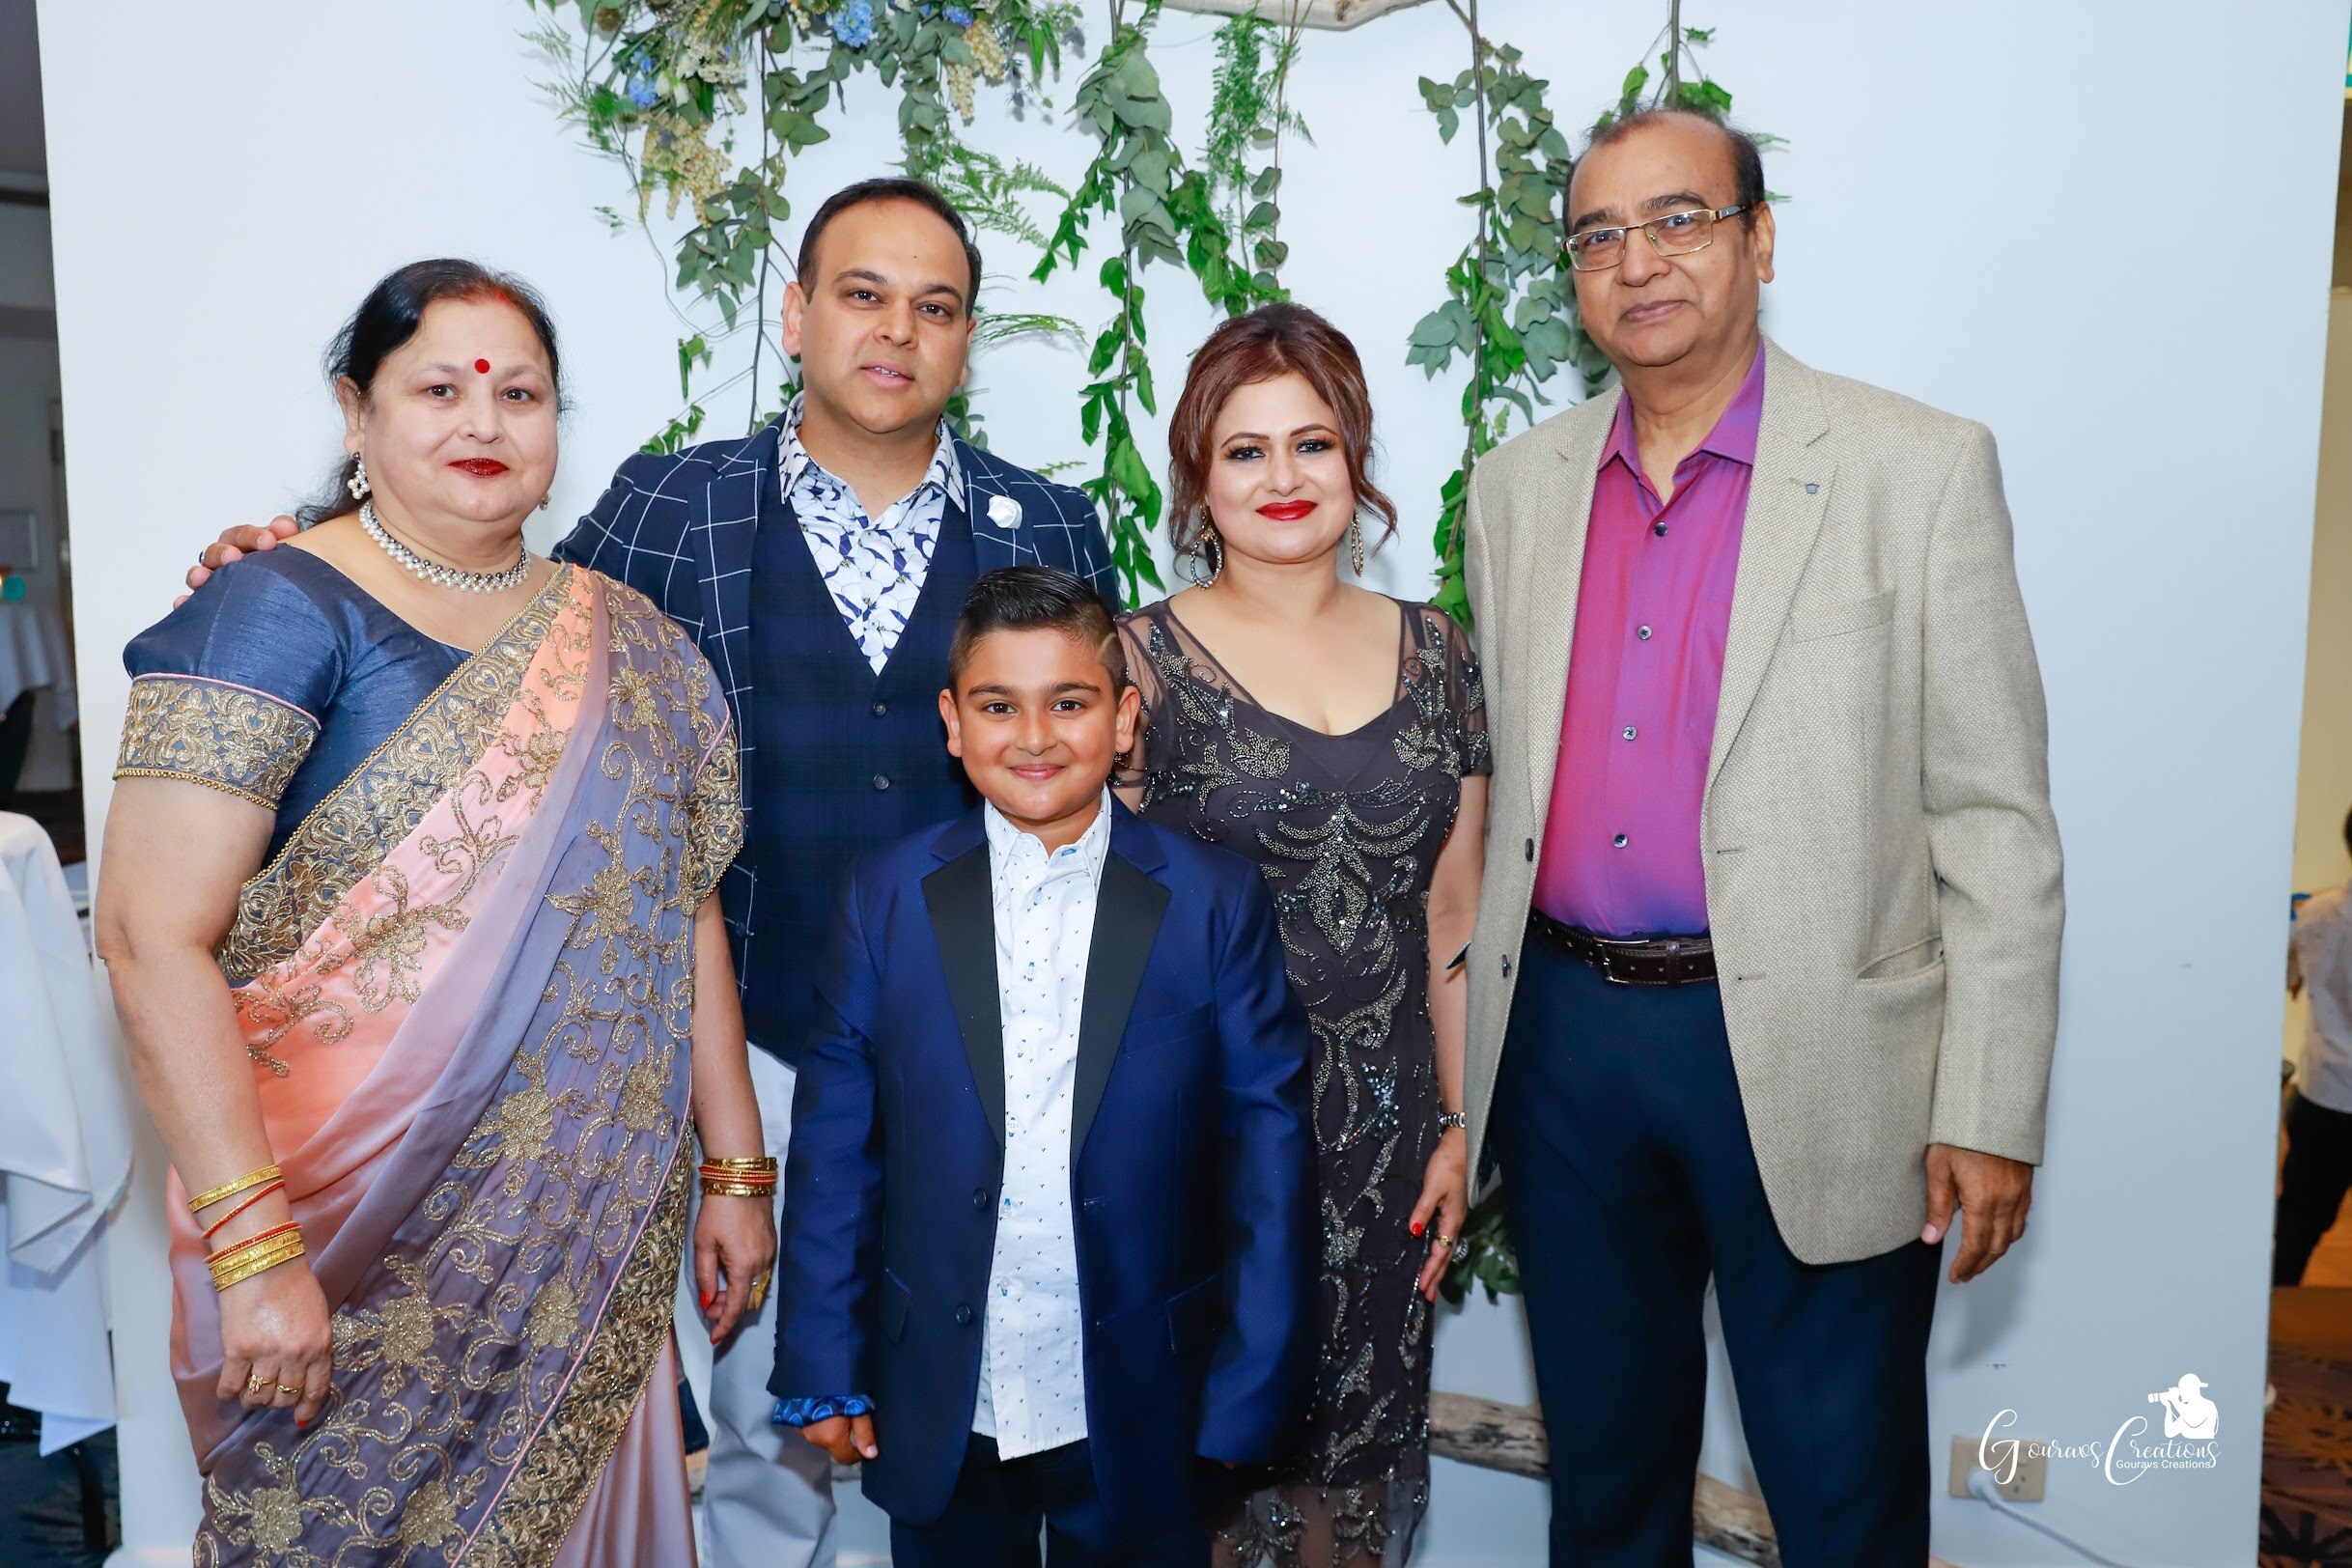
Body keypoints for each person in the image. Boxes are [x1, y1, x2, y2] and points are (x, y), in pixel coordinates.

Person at [184, 177, 1115, 1568]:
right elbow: (501, 654)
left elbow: (1110, 777)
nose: (895, 332)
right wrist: (298, 558)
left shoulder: (1051, 527)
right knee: (755, 1430)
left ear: (968, 342)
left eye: (936, 308)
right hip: (744, 1053)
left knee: (971, 1417)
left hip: (992, 1059)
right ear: (797, 314)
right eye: (860, 294)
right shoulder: (671, 508)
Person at [1459, 107, 2064, 1564]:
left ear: (1759, 238)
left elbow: (1994, 816)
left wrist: (1987, 1103)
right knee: (1607, 1488)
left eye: (1679, 220)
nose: (1638, 262)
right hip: (1569, 1051)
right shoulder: (1515, 491)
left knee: (1840, 1491)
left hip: (1817, 1050)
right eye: (1599, 235)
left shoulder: (1915, 470)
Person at [98, 260, 771, 1564]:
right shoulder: (270, 609)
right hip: (334, 1234)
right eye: (439, 388)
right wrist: (254, 1252)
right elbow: (142, 936)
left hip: (578, 1239)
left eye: (520, 392)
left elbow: (679, 919)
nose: (484, 422)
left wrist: (737, 1171)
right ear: (357, 415)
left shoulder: (635, 645)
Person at [771, 566, 1315, 1567]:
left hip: (1143, 1395)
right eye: (997, 705)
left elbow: (1268, 1158)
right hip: (942, 1389)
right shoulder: (886, 897)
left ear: (1123, 718)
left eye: (1069, 702)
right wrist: (823, 1361)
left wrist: (1249, 1391)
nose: (1033, 736)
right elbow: (836, 1149)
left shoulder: (1212, 900)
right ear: (951, 721)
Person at [1111, 303, 1488, 1567]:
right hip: (1204, 1152)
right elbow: (1089, 931)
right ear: (1199, 478)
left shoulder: (1442, 654)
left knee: (1343, 1510)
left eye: (1313, 444)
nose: (1284, 479)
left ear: (1358, 458)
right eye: (1246, 451)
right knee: (1198, 1490)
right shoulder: (1135, 666)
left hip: (1386, 1164)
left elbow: (1455, 912)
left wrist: (1460, 1123)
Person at [2276, 806, 2352, 1283]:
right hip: (2327, 1094)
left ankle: (2273, 1323)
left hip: (2326, 1093)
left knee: (2299, 1223)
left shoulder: (2315, 914)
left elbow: (2288, 976)